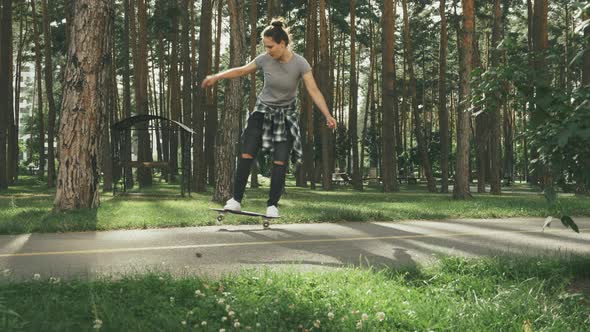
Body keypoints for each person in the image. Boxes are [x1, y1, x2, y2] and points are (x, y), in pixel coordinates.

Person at [201, 18, 337, 217]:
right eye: (265, 46)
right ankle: (235, 200)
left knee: (280, 161)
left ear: (282, 44)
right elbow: (241, 70)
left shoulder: (300, 63)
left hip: (285, 117)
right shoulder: (264, 59)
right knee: (247, 154)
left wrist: (327, 114)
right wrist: (217, 76)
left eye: (270, 46)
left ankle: (272, 205)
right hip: (261, 113)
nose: (268, 50)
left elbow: (314, 90)